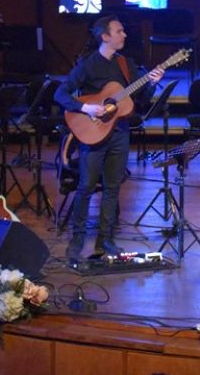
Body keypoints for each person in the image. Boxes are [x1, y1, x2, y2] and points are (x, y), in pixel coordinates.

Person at [55, 15, 164, 259]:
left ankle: (105, 240)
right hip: (93, 132)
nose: (124, 34)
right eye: (119, 31)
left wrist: (152, 84)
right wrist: (86, 108)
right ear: (105, 37)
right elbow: (60, 94)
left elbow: (140, 100)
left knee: (112, 188)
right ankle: (77, 238)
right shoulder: (87, 64)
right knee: (85, 186)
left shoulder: (125, 64)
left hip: (119, 133)